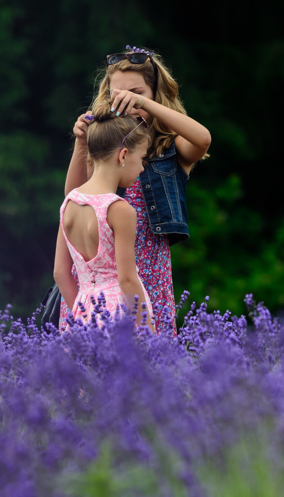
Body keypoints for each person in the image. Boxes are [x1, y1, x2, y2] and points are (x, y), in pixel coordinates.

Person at [64, 46, 211, 330]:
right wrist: (82, 144)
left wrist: (148, 107)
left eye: (137, 93)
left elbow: (203, 139)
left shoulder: (170, 146)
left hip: (150, 268)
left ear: (156, 94)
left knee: (153, 358)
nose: (127, 102)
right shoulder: (107, 147)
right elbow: (73, 198)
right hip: (104, 275)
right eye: (118, 95)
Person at [54, 112, 155, 331]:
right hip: (119, 316)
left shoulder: (69, 203)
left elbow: (60, 273)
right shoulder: (119, 210)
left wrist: (82, 315)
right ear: (123, 155)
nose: (141, 168)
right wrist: (152, 338)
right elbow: (127, 280)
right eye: (141, 159)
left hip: (82, 314)